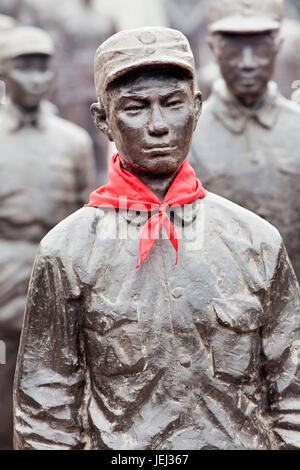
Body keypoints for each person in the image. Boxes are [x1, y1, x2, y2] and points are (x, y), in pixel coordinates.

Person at [14, 27, 300, 450]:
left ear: (196, 108)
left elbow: (292, 389)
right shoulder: (68, 250)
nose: (158, 126)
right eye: (134, 108)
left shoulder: (256, 240)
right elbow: (45, 406)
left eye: (172, 104)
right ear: (102, 120)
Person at [0, 26, 95, 450]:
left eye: (43, 68)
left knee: (57, 380)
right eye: (24, 68)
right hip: (3, 277)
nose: (36, 78)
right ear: (4, 73)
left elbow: (86, 219)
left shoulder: (72, 141)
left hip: (55, 278)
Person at [190, 0, 300, 280]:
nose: (248, 63)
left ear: (278, 46)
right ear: (213, 49)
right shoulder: (188, 134)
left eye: (261, 49)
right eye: (234, 51)